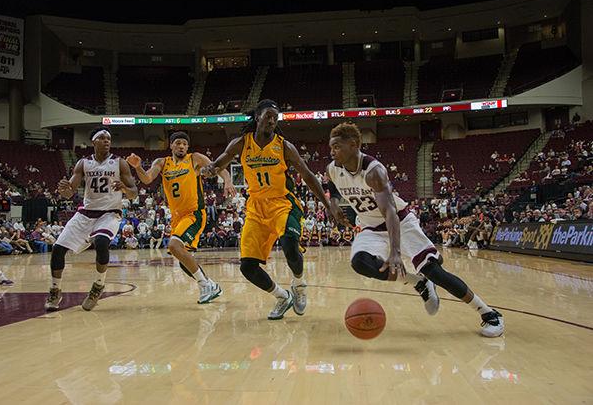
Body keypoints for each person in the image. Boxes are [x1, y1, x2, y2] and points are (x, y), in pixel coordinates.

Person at [327, 122, 504, 337]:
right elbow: (333, 188)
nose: (332, 151)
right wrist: (334, 205)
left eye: (336, 147)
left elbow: (390, 212)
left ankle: (488, 313)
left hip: (399, 222)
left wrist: (395, 252)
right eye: (331, 147)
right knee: (360, 262)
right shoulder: (333, 168)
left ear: (353, 145)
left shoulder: (374, 171)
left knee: (434, 271)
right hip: (370, 227)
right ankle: (418, 282)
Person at [202, 100, 342, 320]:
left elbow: (307, 175)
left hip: (283, 204)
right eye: (268, 115)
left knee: (289, 244)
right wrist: (210, 169)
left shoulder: (284, 146)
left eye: (275, 118)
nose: (272, 120)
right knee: (247, 267)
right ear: (258, 117)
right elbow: (219, 163)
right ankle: (282, 296)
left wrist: (327, 205)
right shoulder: (241, 143)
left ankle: (299, 285)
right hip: (256, 208)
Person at [127, 131, 234, 304]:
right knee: (185, 262)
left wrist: (227, 181)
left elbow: (218, 167)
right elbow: (147, 179)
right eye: (178, 143)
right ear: (171, 145)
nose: (182, 146)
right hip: (177, 218)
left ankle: (205, 284)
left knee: (174, 245)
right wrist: (138, 167)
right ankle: (211, 285)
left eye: (184, 143)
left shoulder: (195, 158)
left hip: (194, 214)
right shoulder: (162, 162)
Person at [44, 127, 138, 312]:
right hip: (86, 213)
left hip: (110, 213)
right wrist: (64, 190)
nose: (107, 141)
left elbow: (134, 192)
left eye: (109, 138)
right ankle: (55, 290)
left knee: (102, 242)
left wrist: (125, 189)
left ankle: (98, 286)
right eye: (102, 138)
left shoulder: (119, 163)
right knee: (57, 249)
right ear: (93, 142)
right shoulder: (83, 163)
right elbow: (69, 191)